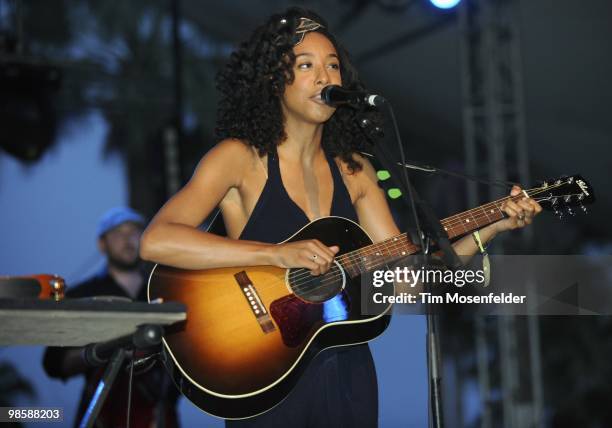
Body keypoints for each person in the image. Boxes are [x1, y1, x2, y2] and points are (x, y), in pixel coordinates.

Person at [139, 7, 542, 427]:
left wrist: (491, 227)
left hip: (348, 369)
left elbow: (407, 283)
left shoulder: (355, 171)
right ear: (275, 81)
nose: (325, 77)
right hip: (265, 366)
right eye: (306, 65)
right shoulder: (240, 159)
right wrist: (277, 255)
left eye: (332, 66)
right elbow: (157, 240)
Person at [43, 207, 180, 428]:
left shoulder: (165, 289)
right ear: (102, 244)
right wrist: (101, 352)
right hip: (102, 412)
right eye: (118, 233)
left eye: (135, 232)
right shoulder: (82, 295)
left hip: (160, 414)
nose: (127, 239)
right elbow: (54, 362)